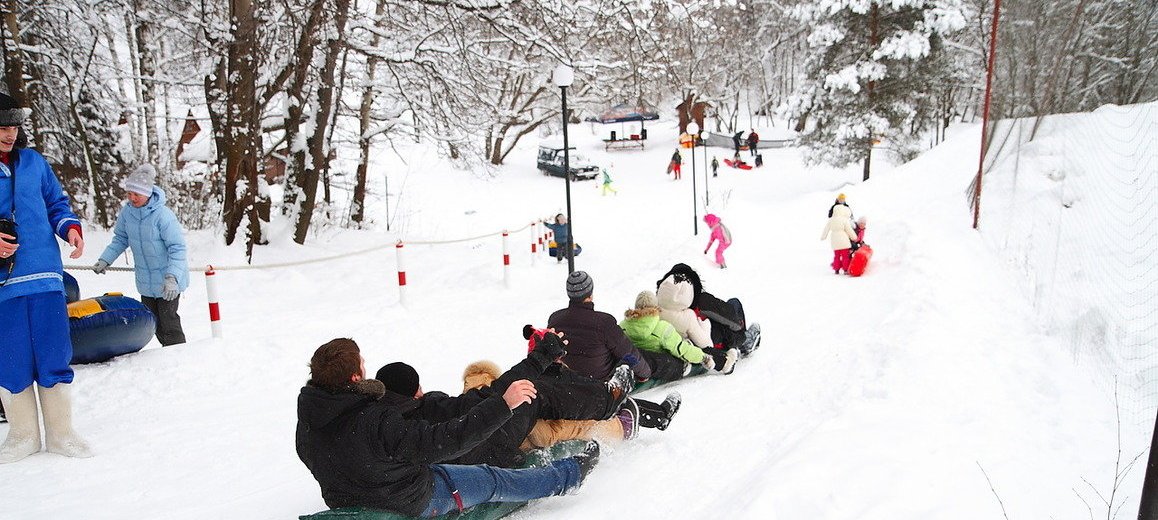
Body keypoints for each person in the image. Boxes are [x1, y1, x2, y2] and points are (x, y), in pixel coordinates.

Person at [296, 338, 600, 518]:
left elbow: (329, 459)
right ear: (352, 379)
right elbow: (446, 440)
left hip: (350, 498)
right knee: (493, 480)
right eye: (362, 365)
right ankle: (568, 476)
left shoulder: (307, 423)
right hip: (412, 496)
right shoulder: (375, 419)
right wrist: (504, 405)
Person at [371, 330, 633, 469]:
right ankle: (608, 399)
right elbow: (493, 394)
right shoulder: (429, 409)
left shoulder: (380, 421)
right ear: (415, 391)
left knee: (532, 398)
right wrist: (539, 358)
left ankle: (598, 397)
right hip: (489, 447)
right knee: (531, 392)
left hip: (477, 447)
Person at [0, 92, 92, 463]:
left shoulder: (35, 162)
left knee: (55, 352)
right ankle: (22, 435)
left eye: (13, 126)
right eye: (2, 127)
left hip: (45, 275)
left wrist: (69, 228)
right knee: (11, 357)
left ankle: (61, 434)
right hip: (4, 286)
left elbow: (57, 203)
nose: (10, 134)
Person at [548, 271, 681, 430]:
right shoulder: (603, 322)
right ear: (590, 293)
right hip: (599, 384)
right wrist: (644, 374)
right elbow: (628, 352)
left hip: (567, 382)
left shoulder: (555, 319)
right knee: (629, 366)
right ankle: (661, 413)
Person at [93, 164, 189, 346]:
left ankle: (179, 355)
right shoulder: (127, 213)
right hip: (145, 281)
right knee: (154, 323)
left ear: (148, 193)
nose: (132, 198)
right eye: (129, 193)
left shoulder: (163, 216)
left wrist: (172, 277)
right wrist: (105, 259)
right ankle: (166, 354)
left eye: (137, 194)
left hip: (168, 280)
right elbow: (120, 239)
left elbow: (177, 248)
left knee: (169, 322)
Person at [621, 290, 737, 376]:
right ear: (655, 307)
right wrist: (703, 358)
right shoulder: (661, 328)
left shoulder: (623, 326)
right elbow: (682, 350)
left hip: (640, 361)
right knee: (690, 346)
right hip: (668, 363)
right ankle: (724, 361)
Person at [656, 263, 760, 356]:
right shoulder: (700, 301)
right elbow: (732, 321)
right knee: (734, 303)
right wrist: (739, 327)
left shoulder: (658, 303)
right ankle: (745, 343)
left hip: (681, 343)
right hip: (713, 343)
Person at [821, 204, 858, 275]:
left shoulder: (831, 220)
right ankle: (845, 270)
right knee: (845, 256)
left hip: (834, 241)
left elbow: (826, 229)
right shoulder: (844, 220)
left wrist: (823, 237)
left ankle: (836, 269)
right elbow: (849, 230)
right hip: (844, 241)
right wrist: (854, 237)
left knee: (837, 256)